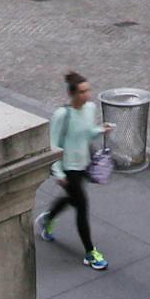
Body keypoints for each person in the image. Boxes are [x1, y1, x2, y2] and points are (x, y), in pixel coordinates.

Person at [37, 71, 112, 271]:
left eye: (88, 90)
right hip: (68, 167)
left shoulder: (90, 108)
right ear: (72, 94)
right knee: (82, 205)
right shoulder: (62, 115)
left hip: (83, 163)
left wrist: (100, 130)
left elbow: (87, 131)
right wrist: (58, 172)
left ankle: (48, 218)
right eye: (82, 92)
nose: (87, 95)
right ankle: (90, 252)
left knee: (73, 199)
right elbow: (52, 144)